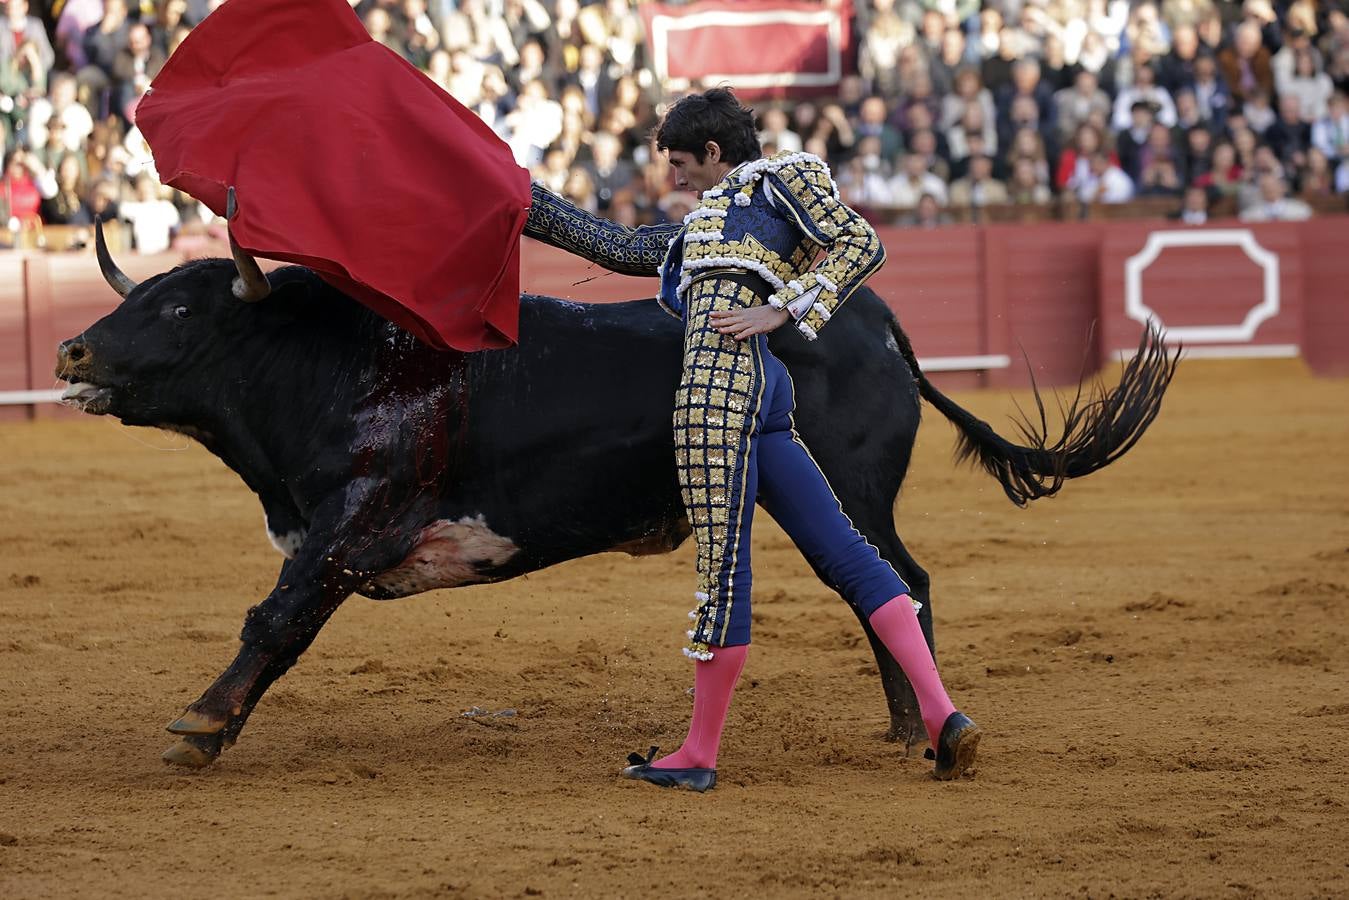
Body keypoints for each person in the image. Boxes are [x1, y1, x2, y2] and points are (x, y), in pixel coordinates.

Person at [522, 88, 979, 791]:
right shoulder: (704, 223)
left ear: (713, 150)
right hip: (761, 392)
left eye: (680, 162)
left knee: (723, 572)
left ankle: (698, 756)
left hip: (717, 391)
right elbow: (614, 245)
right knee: (846, 551)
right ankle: (941, 715)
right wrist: (519, 196)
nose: (672, 178)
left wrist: (783, 309)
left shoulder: (780, 177)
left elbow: (860, 241)